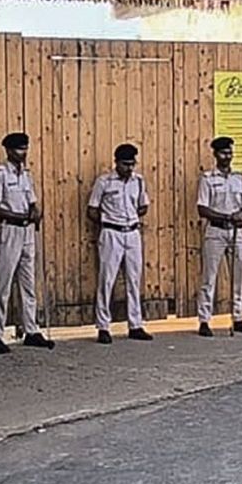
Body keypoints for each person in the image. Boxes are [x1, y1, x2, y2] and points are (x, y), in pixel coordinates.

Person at [0, 131, 53, 354]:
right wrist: (21, 217)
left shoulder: (26, 174)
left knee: (28, 283)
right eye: (18, 149)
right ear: (8, 150)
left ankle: (31, 329)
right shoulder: (0, 174)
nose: (22, 153)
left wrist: (36, 212)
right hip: (9, 229)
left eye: (25, 149)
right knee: (3, 285)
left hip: (27, 232)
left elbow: (32, 201)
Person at [87, 143, 153, 345]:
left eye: (132, 164)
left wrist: (131, 216)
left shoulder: (138, 181)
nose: (129, 168)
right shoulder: (104, 182)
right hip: (111, 232)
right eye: (125, 164)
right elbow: (92, 209)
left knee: (134, 279)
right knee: (107, 279)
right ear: (116, 163)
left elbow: (143, 205)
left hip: (132, 231)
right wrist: (109, 220)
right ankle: (103, 326)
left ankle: (135, 324)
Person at [197, 136, 242, 337]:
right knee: (210, 277)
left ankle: (238, 317)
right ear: (215, 155)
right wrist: (225, 216)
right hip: (216, 230)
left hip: (237, 230)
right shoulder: (208, 179)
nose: (227, 157)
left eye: (230, 153)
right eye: (223, 153)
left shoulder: (240, 178)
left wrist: (240, 214)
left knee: (238, 275)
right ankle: (205, 319)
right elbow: (203, 208)